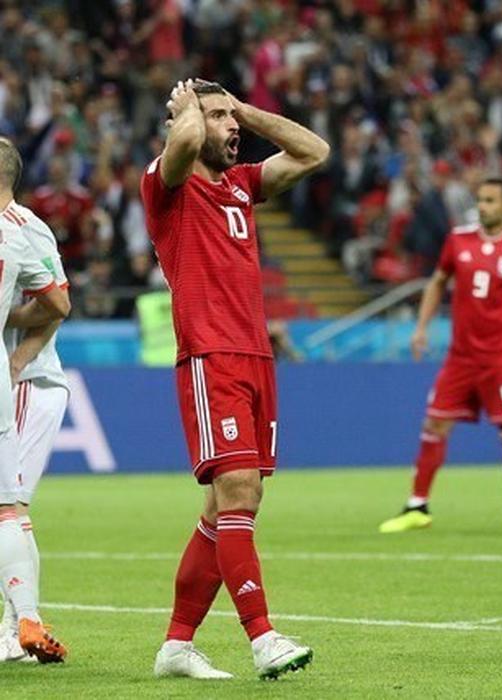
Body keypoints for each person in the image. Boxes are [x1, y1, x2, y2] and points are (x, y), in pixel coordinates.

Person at [140, 79, 329, 680]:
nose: (232, 128)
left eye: (232, 117)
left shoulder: (242, 185)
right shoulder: (166, 185)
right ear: (187, 121)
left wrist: (243, 109)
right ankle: (262, 637)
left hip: (255, 356)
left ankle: (177, 645)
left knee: (228, 506)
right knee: (239, 490)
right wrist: (188, 112)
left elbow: (314, 152)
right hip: (210, 356)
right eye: (218, 117)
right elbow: (185, 142)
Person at [379, 177, 502, 534]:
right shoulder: (458, 240)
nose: (483, 206)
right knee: (434, 423)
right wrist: (421, 328)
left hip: (501, 357)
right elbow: (437, 282)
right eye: (480, 200)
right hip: (461, 356)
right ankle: (417, 506)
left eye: (490, 200)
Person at [0, 137, 70, 662]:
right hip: (11, 381)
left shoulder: (26, 226)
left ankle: (18, 627)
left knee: (11, 506)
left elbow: (58, 302)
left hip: (27, 383)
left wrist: (19, 358)